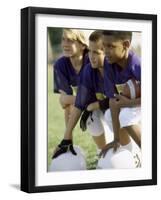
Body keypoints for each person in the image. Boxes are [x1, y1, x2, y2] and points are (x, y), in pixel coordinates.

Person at [52, 31, 130, 159]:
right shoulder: (88, 70)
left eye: (96, 52)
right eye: (90, 51)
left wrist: (97, 104)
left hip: (125, 108)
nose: (91, 56)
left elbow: (119, 100)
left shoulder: (115, 67)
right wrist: (66, 138)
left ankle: (130, 150)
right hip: (102, 107)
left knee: (112, 114)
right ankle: (103, 153)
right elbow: (78, 105)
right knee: (89, 117)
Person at [101, 30, 141, 158]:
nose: (105, 51)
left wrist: (129, 103)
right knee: (108, 115)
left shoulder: (137, 65)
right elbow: (113, 100)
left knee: (125, 116)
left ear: (126, 45)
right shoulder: (108, 64)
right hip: (132, 103)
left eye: (111, 46)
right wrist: (116, 139)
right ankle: (131, 153)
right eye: (104, 46)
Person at [54, 29, 89, 127]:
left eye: (70, 40)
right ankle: (68, 140)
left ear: (82, 45)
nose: (65, 44)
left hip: (103, 102)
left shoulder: (91, 60)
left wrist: (67, 99)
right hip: (86, 102)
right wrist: (68, 99)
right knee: (69, 106)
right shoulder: (60, 64)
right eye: (63, 39)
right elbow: (64, 101)